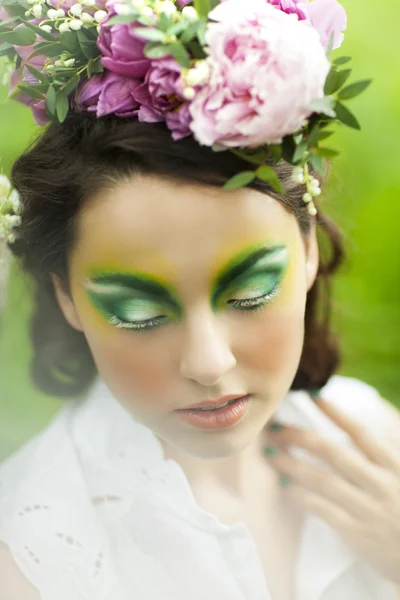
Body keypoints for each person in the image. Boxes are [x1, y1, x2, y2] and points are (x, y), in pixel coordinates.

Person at [0, 0, 399, 599]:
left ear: (309, 249)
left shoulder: (372, 439)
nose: (209, 363)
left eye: (251, 292)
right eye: (139, 312)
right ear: (67, 296)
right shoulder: (31, 555)